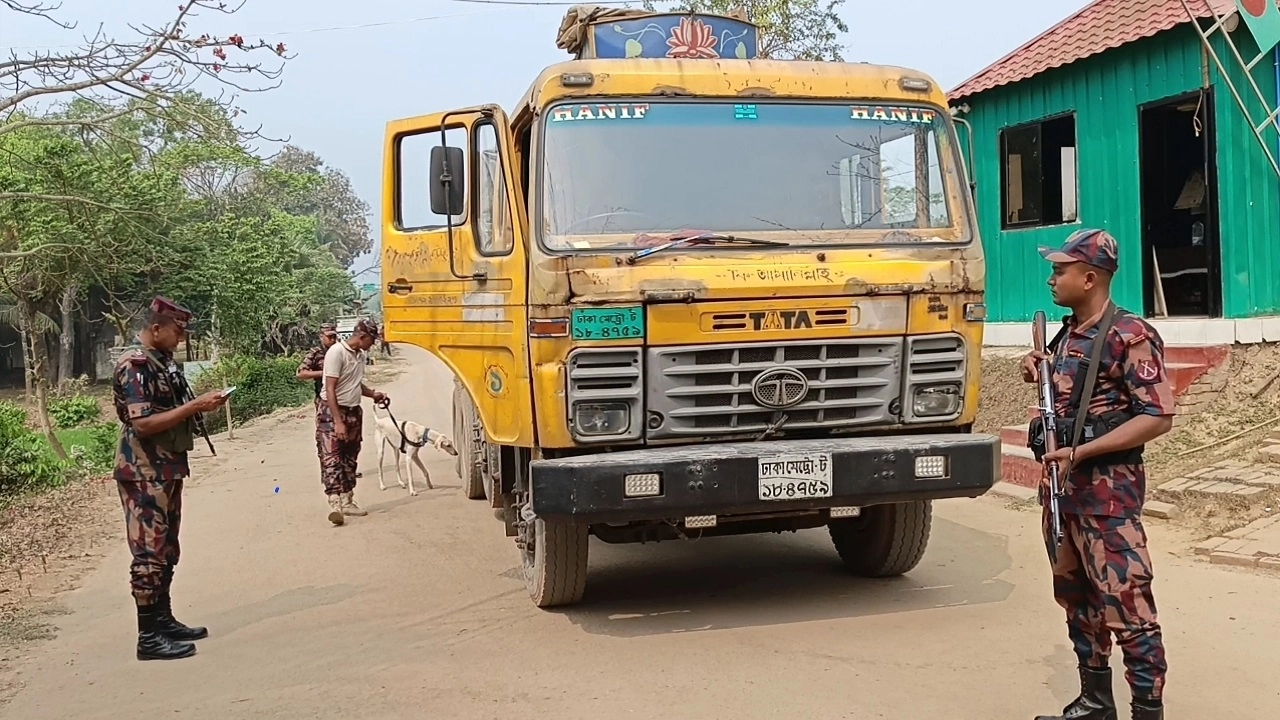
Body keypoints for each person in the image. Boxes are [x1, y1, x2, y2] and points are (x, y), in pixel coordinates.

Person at [1021, 229, 1176, 720]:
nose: (1051, 279)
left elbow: (1157, 416)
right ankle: (1095, 702)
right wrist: (1037, 369)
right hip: (1063, 498)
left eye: (1059, 270)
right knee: (1078, 603)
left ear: (1089, 278)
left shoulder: (1130, 334)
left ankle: (1147, 710)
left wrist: (1082, 450)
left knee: (1129, 610)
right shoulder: (1068, 332)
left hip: (1108, 499)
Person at [112, 297, 228, 661]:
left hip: (166, 467)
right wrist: (195, 406)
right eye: (177, 332)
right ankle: (148, 638)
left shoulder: (161, 362)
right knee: (148, 552)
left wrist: (201, 405)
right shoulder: (135, 364)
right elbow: (142, 423)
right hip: (143, 470)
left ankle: (162, 620)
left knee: (166, 548)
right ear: (157, 327)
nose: (180, 339)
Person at [318, 318, 389, 525]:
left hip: (353, 410)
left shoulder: (360, 355)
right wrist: (338, 421)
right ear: (362, 336)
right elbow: (330, 388)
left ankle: (348, 499)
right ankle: (335, 503)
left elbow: (355, 383)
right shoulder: (336, 353)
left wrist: (374, 394)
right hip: (332, 411)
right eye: (372, 340)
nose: (373, 344)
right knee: (332, 457)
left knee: (350, 456)